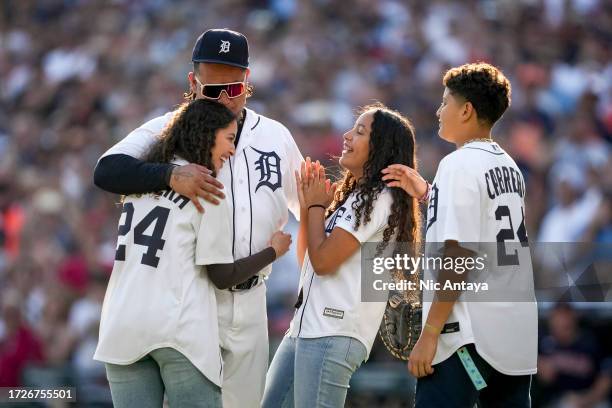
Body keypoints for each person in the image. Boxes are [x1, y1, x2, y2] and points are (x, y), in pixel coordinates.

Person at [93, 29, 303, 407]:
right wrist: (170, 175)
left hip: (251, 297)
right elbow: (107, 171)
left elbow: (312, 208)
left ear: (248, 81)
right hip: (194, 300)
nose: (223, 99)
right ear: (193, 83)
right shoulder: (167, 129)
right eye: (212, 90)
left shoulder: (276, 137)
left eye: (234, 88)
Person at [382, 62, 538, 407]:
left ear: (466, 110)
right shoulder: (509, 165)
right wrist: (427, 193)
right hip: (514, 335)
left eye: (444, 102)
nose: (439, 111)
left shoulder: (457, 164)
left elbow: (459, 255)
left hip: (466, 337)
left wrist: (431, 332)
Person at [262, 103, 421, 408]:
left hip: (333, 332)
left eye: (360, 131)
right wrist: (310, 206)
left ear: (380, 148)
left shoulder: (377, 198)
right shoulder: (353, 195)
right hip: (307, 328)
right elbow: (308, 260)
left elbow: (323, 263)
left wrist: (317, 207)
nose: (347, 135)